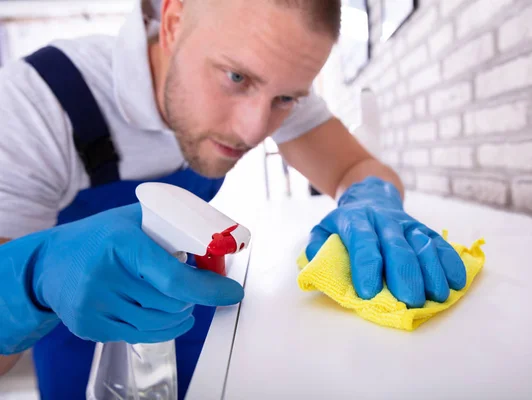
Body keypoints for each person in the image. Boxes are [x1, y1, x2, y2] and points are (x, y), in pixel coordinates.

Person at [0, 0, 467, 398]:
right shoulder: (34, 106)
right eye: (235, 77)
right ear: (173, 21)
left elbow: (354, 168)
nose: (253, 130)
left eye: (286, 98)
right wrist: (31, 278)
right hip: (91, 372)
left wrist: (371, 199)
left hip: (210, 348)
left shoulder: (272, 73)